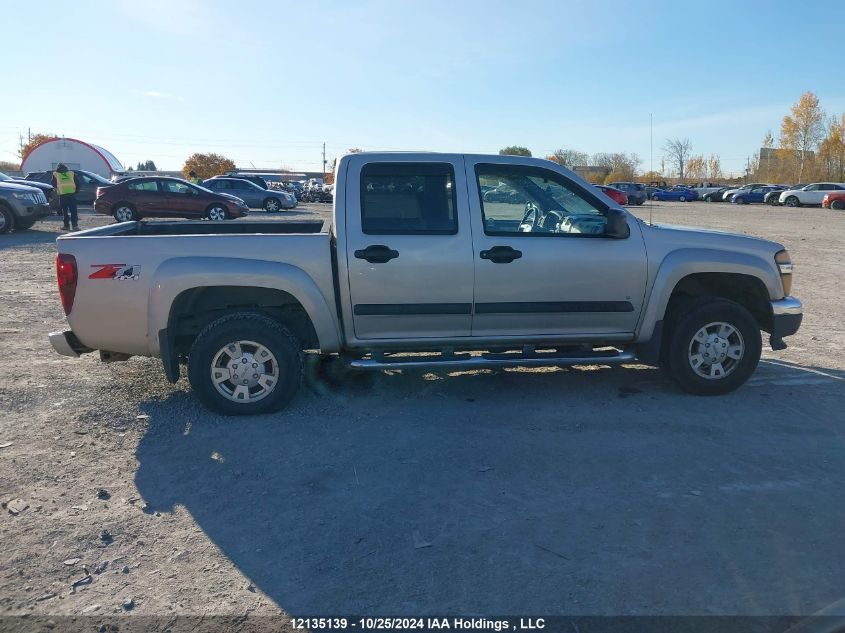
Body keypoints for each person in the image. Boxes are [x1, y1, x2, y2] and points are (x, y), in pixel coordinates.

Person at [51, 163, 80, 231]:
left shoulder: (55, 174)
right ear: (66, 167)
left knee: (65, 211)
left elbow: (53, 184)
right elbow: (77, 183)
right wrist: (76, 191)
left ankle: (66, 226)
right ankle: (75, 226)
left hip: (62, 195)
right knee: (73, 211)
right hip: (71, 195)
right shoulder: (71, 173)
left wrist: (59, 188)